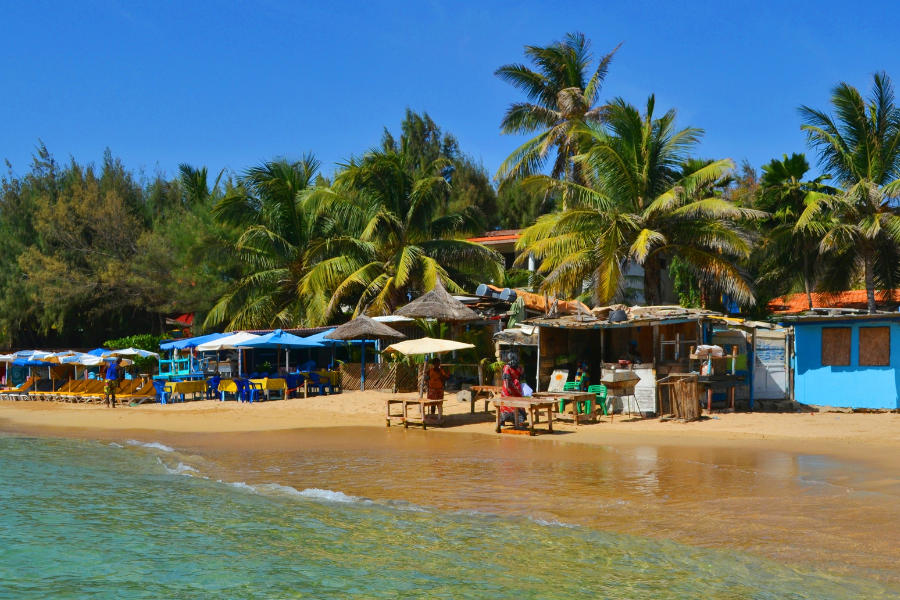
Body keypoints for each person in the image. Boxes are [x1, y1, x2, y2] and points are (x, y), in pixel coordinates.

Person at [499, 352, 527, 428]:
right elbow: (522, 379)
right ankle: (520, 422)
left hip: (508, 389)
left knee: (505, 405)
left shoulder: (507, 367)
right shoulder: (520, 368)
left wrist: (508, 389)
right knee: (519, 405)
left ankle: (502, 423)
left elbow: (506, 379)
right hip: (517, 389)